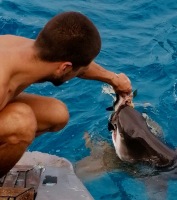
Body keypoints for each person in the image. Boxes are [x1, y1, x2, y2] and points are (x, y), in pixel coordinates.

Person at [0, 11, 132, 177]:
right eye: (78, 70)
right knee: (21, 124)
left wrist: (114, 80)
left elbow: (78, 65)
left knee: (56, 114)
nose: (80, 72)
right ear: (65, 68)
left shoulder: (29, 49)